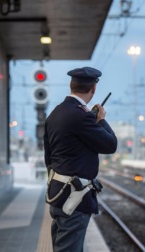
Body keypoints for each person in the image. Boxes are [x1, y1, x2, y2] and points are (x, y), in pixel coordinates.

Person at [44, 66, 117, 251]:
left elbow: (48, 156)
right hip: (75, 198)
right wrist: (100, 120)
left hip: (57, 194)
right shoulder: (82, 116)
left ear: (71, 84)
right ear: (93, 89)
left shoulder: (55, 113)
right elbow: (110, 145)